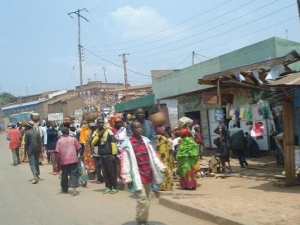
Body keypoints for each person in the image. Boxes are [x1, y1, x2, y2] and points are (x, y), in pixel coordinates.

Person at [121, 121, 166, 225]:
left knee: (147, 199)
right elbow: (125, 162)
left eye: (140, 127)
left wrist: (161, 167)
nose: (139, 129)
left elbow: (153, 156)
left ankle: (143, 219)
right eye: (136, 128)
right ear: (131, 130)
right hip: (138, 176)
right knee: (142, 199)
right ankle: (140, 220)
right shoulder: (127, 144)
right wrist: (127, 178)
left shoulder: (146, 141)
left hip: (148, 174)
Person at [92, 118, 118, 194]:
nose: (100, 124)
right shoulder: (96, 132)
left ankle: (114, 187)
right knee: (105, 172)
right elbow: (93, 143)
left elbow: (113, 142)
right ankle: (108, 187)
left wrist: (114, 154)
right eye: (99, 123)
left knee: (112, 172)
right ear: (97, 124)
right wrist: (99, 135)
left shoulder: (109, 131)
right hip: (102, 155)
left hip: (110, 155)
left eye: (102, 123)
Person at [55, 127, 81, 196]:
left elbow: (57, 152)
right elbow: (79, 148)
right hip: (74, 160)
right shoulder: (73, 139)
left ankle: (64, 188)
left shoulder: (59, 141)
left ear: (62, 133)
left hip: (64, 161)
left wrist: (57, 162)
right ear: (68, 132)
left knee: (64, 174)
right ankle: (74, 190)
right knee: (74, 174)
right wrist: (76, 155)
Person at [155, 126, 175, 191]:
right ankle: (166, 186)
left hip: (159, 157)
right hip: (165, 157)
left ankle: (162, 186)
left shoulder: (155, 138)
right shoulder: (163, 138)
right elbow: (170, 146)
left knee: (161, 171)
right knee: (166, 171)